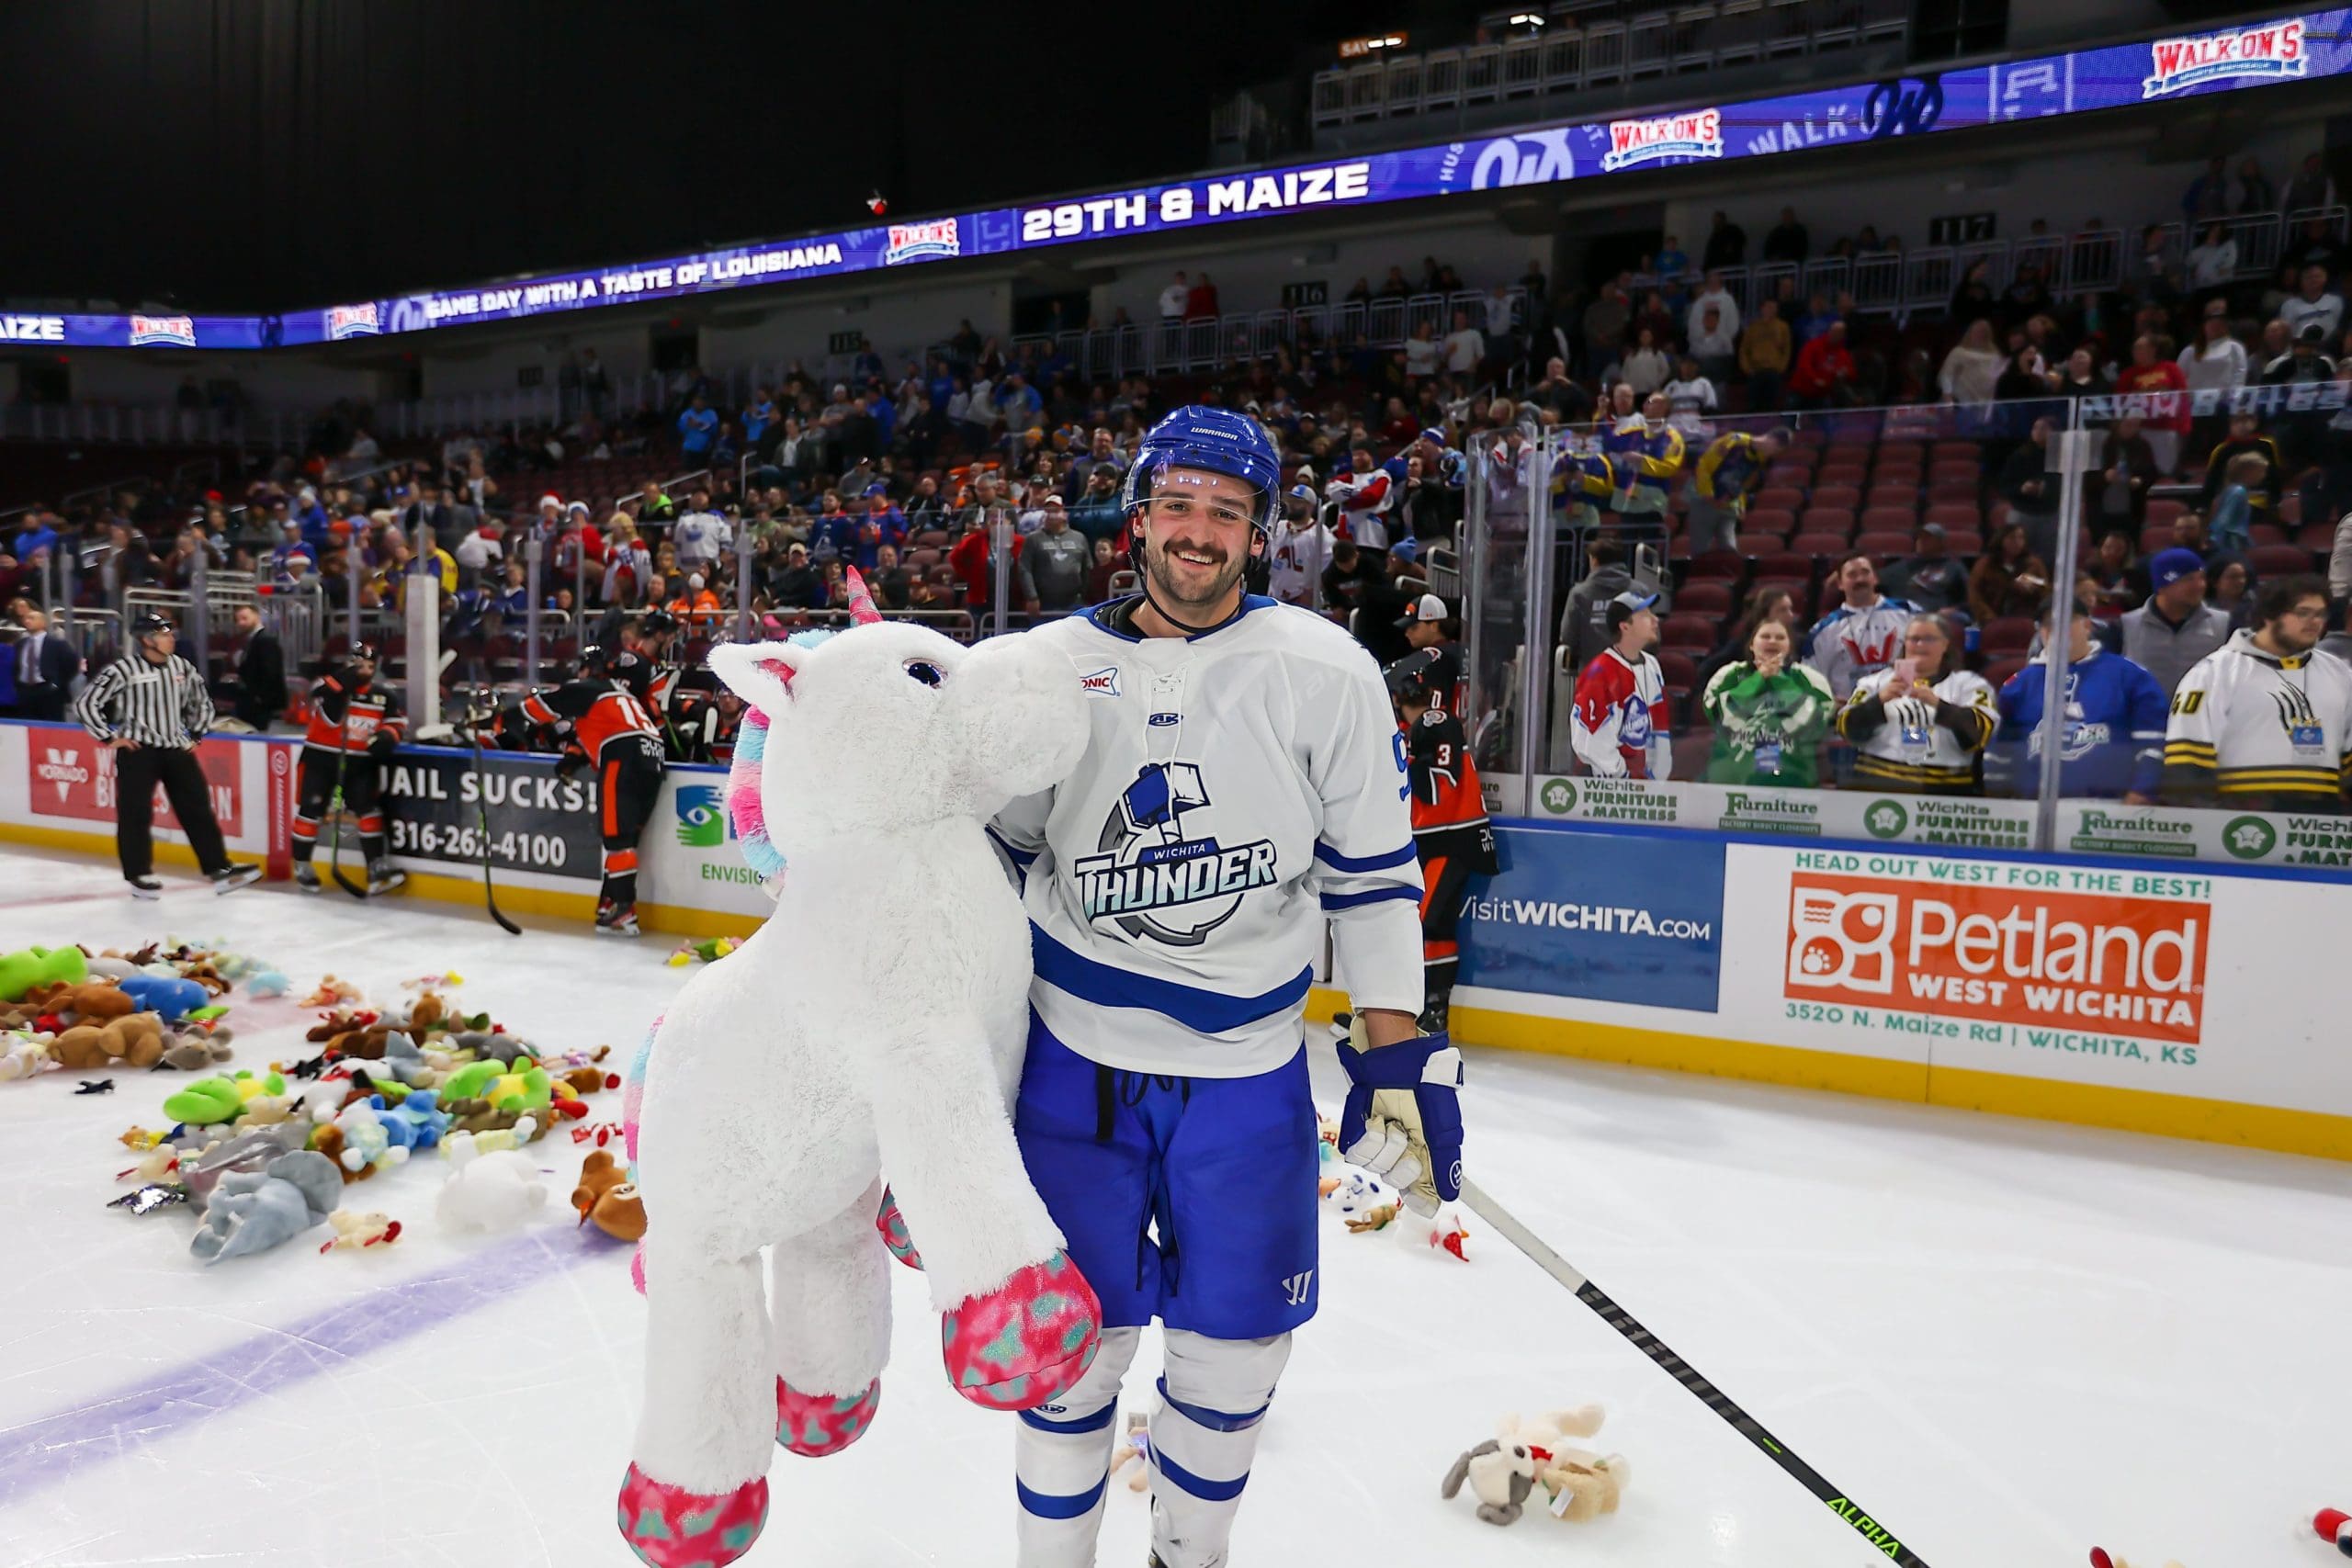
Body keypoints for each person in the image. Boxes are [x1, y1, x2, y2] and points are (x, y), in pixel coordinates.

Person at [987, 406, 1459, 1568]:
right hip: (1071, 1059)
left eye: (1228, 513)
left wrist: (1391, 1059)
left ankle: (1182, 1558)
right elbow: (989, 864)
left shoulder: (1322, 669)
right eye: (1180, 506)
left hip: (1247, 1076)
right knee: (1068, 1356)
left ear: (1258, 534)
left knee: (1236, 1355)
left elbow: (1372, 874)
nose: (1200, 533)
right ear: (1139, 517)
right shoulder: (1045, 671)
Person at [69, 611, 260, 898]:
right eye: (164, 634)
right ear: (146, 640)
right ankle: (139, 874)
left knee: (197, 809)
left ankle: (218, 867)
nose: (171, 639)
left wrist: (195, 734)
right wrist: (109, 737)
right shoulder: (124, 669)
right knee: (135, 813)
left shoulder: (181, 666)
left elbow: (202, 703)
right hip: (138, 751)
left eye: (171, 633)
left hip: (176, 749)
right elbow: (86, 703)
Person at [503, 644, 666, 936]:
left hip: (623, 756)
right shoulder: (623, 697)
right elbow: (601, 729)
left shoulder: (589, 688)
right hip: (653, 759)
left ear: (590, 668)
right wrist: (573, 760)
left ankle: (624, 910)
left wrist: (501, 720)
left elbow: (538, 708)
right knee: (626, 839)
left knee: (616, 838)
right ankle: (610, 903)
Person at [2162, 575, 2352, 812]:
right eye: (2302, 613)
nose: (2314, 622)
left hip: (2321, 817)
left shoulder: (2340, 673)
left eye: (2320, 614)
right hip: (2243, 815)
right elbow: (2186, 764)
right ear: (2269, 615)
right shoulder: (2213, 673)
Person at [1385, 647, 1496, 1032]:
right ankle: (1429, 1009)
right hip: (1433, 841)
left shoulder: (1437, 723)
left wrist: (1402, 758)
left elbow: (1439, 787)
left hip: (1453, 839)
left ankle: (1406, 1010)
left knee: (1419, 922)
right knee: (1435, 926)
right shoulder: (1407, 731)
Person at [1995, 601, 2168, 801]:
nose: (2055, 630)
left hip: (2109, 809)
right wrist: (2003, 801)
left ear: (2087, 626)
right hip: (2034, 809)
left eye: (2065, 622)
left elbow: (2153, 741)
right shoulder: (2019, 684)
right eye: (2047, 624)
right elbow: (1999, 751)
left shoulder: (2130, 676)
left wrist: (2141, 791)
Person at [288, 643, 405, 896]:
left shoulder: (384, 695)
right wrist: (343, 687)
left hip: (360, 762)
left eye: (370, 666)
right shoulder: (330, 685)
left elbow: (396, 722)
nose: (365, 670)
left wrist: (386, 736)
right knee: (310, 812)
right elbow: (325, 709)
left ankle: (376, 868)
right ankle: (302, 866)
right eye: (360, 665)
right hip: (321, 759)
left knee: (368, 810)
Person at [1836, 615, 1996, 795]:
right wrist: (1878, 702)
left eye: (1928, 639)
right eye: (1914, 639)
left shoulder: (1970, 685)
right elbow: (1846, 729)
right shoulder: (1874, 683)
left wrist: (1937, 705)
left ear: (1945, 645)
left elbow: (1982, 734)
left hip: (1946, 792)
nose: (1919, 645)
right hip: (1878, 787)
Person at [1701, 617, 1833, 787]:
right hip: (1733, 778)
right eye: (1765, 636)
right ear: (1751, 645)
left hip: (1794, 776)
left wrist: (1780, 680)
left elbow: (1818, 720)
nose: (1772, 641)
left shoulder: (1808, 678)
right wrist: (1758, 679)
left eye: (1780, 637)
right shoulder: (1730, 674)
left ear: (1789, 646)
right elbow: (1715, 712)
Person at [1572, 591, 1671, 780]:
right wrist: (1623, 776)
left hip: (1644, 787)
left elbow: (1660, 726)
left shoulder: (1652, 665)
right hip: (1608, 792)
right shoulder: (1600, 673)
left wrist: (1659, 775)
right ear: (1625, 626)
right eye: (1644, 615)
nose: (1655, 620)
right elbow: (1593, 743)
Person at [2120, 547, 2233, 700]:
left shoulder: (2224, 624)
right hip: (2145, 721)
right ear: (2163, 585)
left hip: (2204, 719)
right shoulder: (2126, 626)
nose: (2200, 585)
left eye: (2201, 578)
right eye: (2189, 579)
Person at [1804, 554, 1918, 700]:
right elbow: (1812, 678)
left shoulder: (1909, 613)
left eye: (1865, 572)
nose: (1860, 579)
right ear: (1840, 583)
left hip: (1902, 705)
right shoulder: (1823, 631)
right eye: (1852, 575)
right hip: (1849, 713)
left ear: (1875, 578)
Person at [1688, 428, 1786, 554]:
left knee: (1729, 549)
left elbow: (1743, 483)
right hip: (1706, 499)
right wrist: (1707, 494)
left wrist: (1741, 505)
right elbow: (1703, 465)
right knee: (1700, 549)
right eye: (1776, 449)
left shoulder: (1760, 459)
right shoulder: (1733, 441)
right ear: (1772, 440)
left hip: (1728, 503)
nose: (1774, 454)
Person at [1881, 523, 1968, 615]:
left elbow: (1970, 597)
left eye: (1927, 538)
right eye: (1919, 538)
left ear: (1941, 542)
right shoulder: (1901, 567)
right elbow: (1876, 583)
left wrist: (1955, 609)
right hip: (1904, 615)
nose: (1921, 541)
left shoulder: (1953, 567)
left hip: (1939, 617)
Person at [223, 603, 285, 731]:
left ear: (257, 616)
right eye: (238, 620)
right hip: (252, 702)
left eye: (244, 618)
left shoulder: (265, 640)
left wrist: (260, 698)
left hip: (260, 706)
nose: (240, 623)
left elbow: (270, 672)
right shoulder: (252, 640)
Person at [14, 606, 77, 722]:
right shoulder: (21, 644)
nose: (27, 621)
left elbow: (71, 664)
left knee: (52, 725)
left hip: (49, 690)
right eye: (26, 618)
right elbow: (16, 666)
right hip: (26, 691)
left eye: (31, 618)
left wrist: (57, 683)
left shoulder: (57, 644)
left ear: (43, 623)